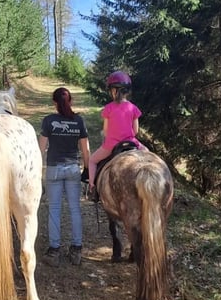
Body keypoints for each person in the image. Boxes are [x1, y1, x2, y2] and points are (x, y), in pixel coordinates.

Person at [38, 87, 90, 266]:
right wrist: (87, 171)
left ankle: (54, 250)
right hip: (73, 168)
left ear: (54, 103)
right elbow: (85, 150)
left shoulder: (49, 121)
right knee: (75, 208)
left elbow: (41, 149)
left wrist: (38, 172)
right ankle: (76, 249)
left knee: (54, 208)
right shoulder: (78, 121)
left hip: (54, 169)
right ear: (71, 101)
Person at [87, 71, 147, 200]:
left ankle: (92, 188)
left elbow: (106, 131)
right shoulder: (133, 108)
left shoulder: (108, 108)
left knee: (92, 160)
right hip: (131, 143)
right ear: (127, 91)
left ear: (113, 91)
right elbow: (135, 131)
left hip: (112, 145)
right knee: (149, 155)